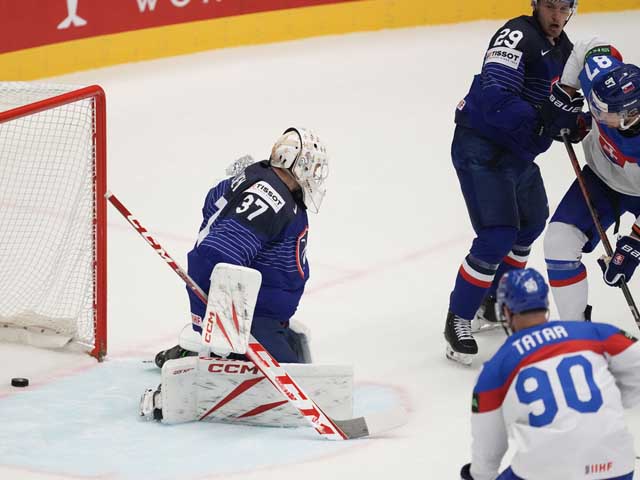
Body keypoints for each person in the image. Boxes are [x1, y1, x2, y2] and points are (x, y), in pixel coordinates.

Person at [445, 0, 580, 365]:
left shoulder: (565, 50)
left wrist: (573, 121)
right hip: (481, 146)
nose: (556, 15)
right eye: (550, 6)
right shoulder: (517, 34)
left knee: (532, 223)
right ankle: (458, 317)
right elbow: (495, 99)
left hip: (518, 153)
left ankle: (495, 299)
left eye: (563, 8)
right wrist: (545, 116)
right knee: (498, 234)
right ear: (536, 5)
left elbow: (563, 106)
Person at [154, 127, 329, 366]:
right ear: (298, 164)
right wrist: (224, 328)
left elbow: (214, 205)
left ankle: (199, 354)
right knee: (292, 375)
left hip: (261, 316)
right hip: (249, 320)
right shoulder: (268, 198)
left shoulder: (266, 182)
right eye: (314, 168)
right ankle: (201, 358)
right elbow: (216, 254)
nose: (316, 176)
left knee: (295, 356)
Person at [460, 268, 640, 480]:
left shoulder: (497, 366)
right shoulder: (595, 333)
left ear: (506, 311)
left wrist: (480, 475)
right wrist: (618, 401)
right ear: (545, 304)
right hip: (614, 464)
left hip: (546, 471)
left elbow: (488, 441)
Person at [544, 40, 640, 320]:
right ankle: (576, 332)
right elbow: (587, 48)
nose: (596, 113)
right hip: (600, 177)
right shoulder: (605, 84)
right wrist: (567, 93)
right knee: (559, 241)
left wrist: (635, 241)